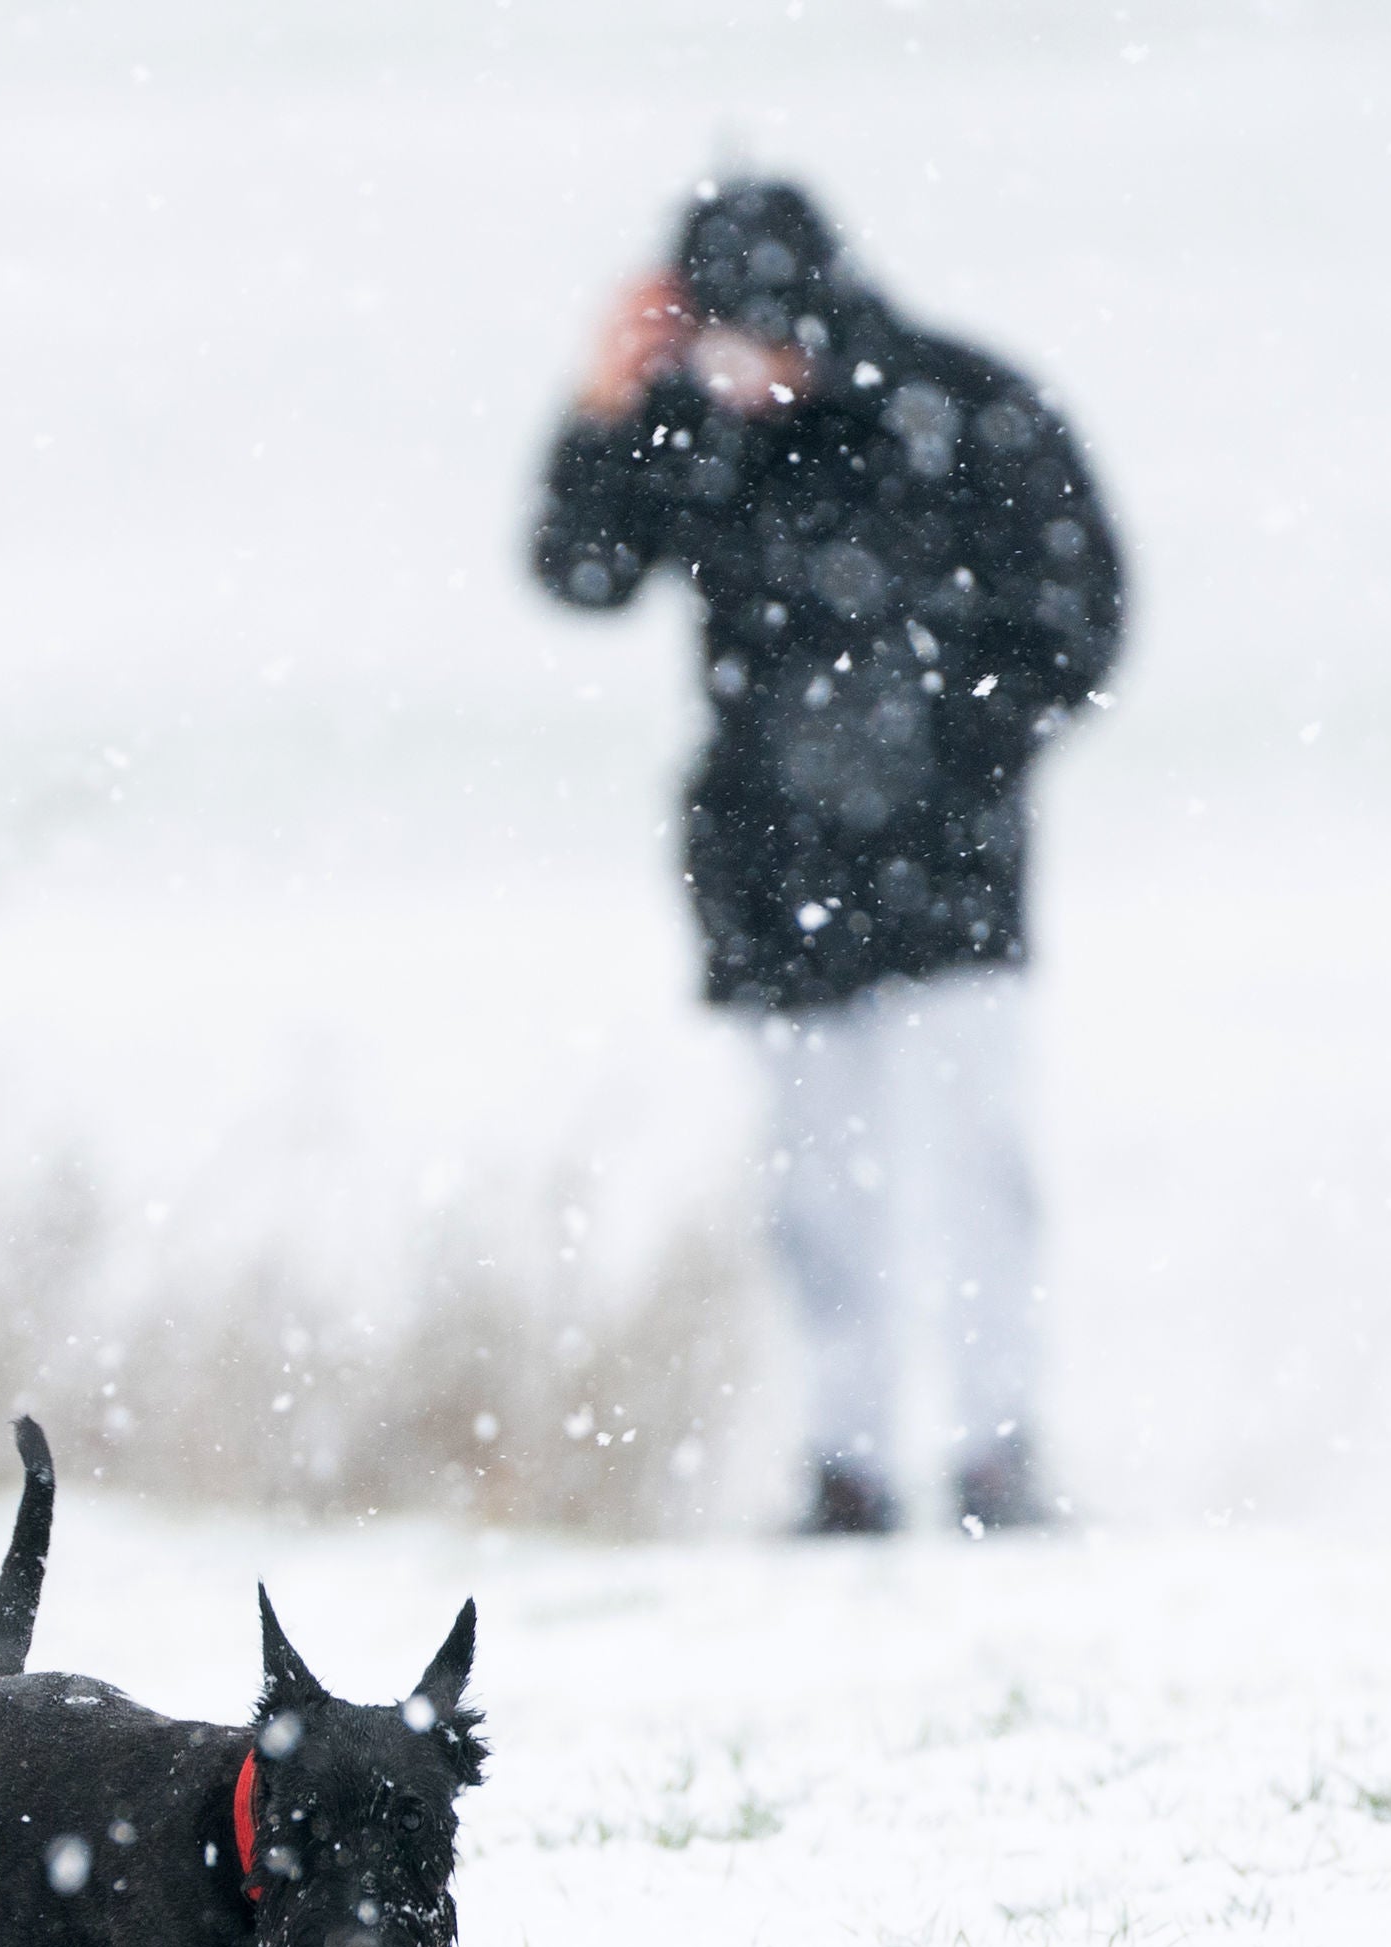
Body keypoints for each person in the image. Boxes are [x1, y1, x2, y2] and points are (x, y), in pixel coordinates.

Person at [533, 179, 1124, 1534]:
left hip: (949, 862)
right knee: (816, 1187)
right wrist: (602, 400)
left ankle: (996, 1452)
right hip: (767, 868)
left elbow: (1080, 609)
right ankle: (844, 1459)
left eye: (747, 339)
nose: (739, 372)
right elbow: (574, 569)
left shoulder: (962, 405)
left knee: (974, 1164)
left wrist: (944, 745)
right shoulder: (692, 424)